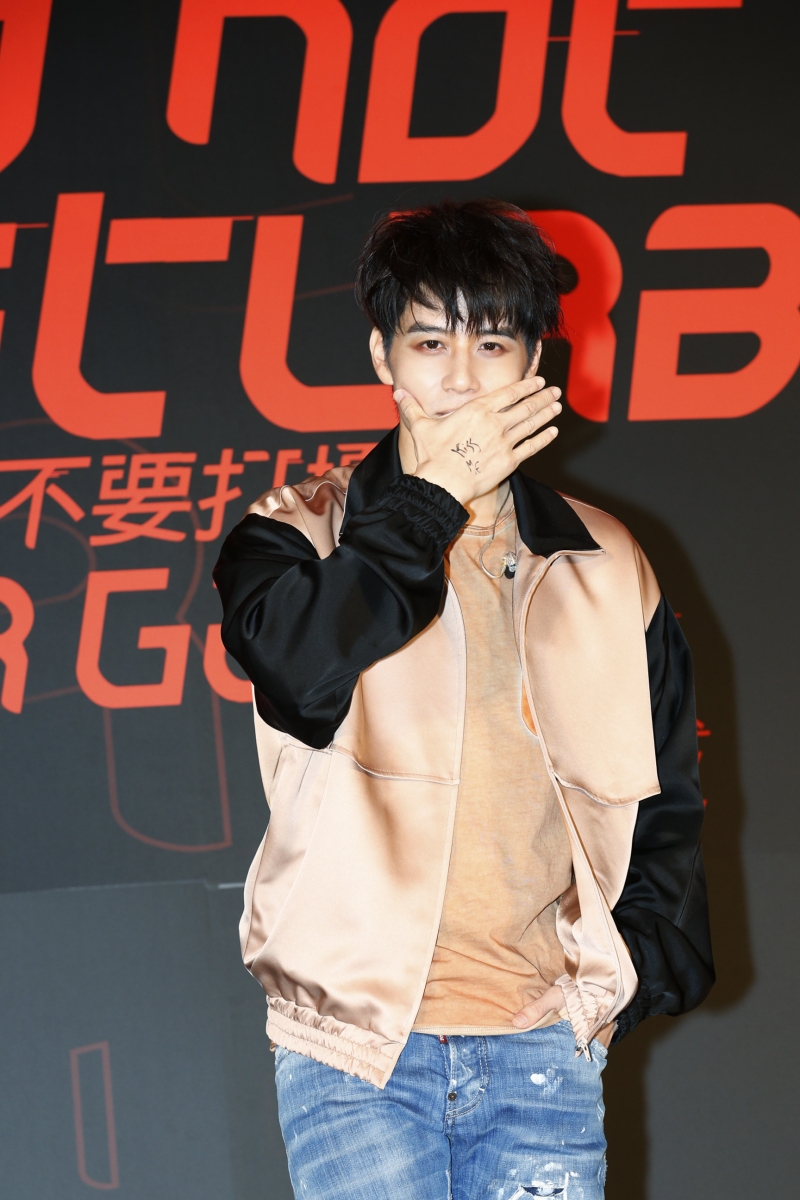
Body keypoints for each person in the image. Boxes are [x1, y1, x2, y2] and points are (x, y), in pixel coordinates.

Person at [214, 199, 714, 1200]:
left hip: (541, 1050)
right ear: (381, 356)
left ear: (534, 360)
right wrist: (429, 500)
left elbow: (667, 797)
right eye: (429, 342)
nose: (458, 377)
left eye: (490, 344)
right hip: (355, 1055)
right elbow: (298, 670)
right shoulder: (295, 531)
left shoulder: (607, 561)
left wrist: (615, 983)